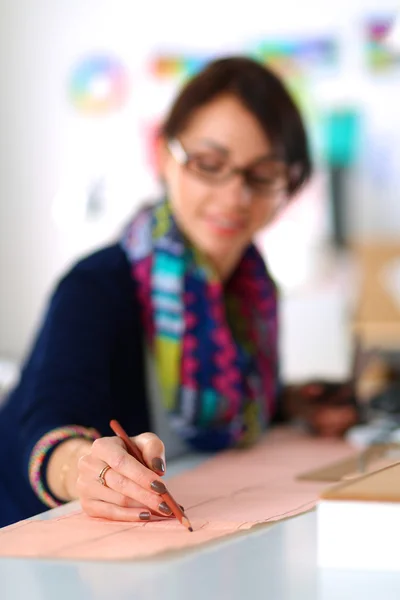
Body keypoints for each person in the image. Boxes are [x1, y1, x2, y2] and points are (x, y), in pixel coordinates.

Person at [0, 56, 357, 529]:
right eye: (210, 164)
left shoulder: (254, 292)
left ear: (286, 186)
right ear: (166, 157)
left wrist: (291, 403)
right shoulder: (96, 286)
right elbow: (46, 426)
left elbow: (231, 400)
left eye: (263, 174)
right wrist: (82, 469)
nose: (235, 196)